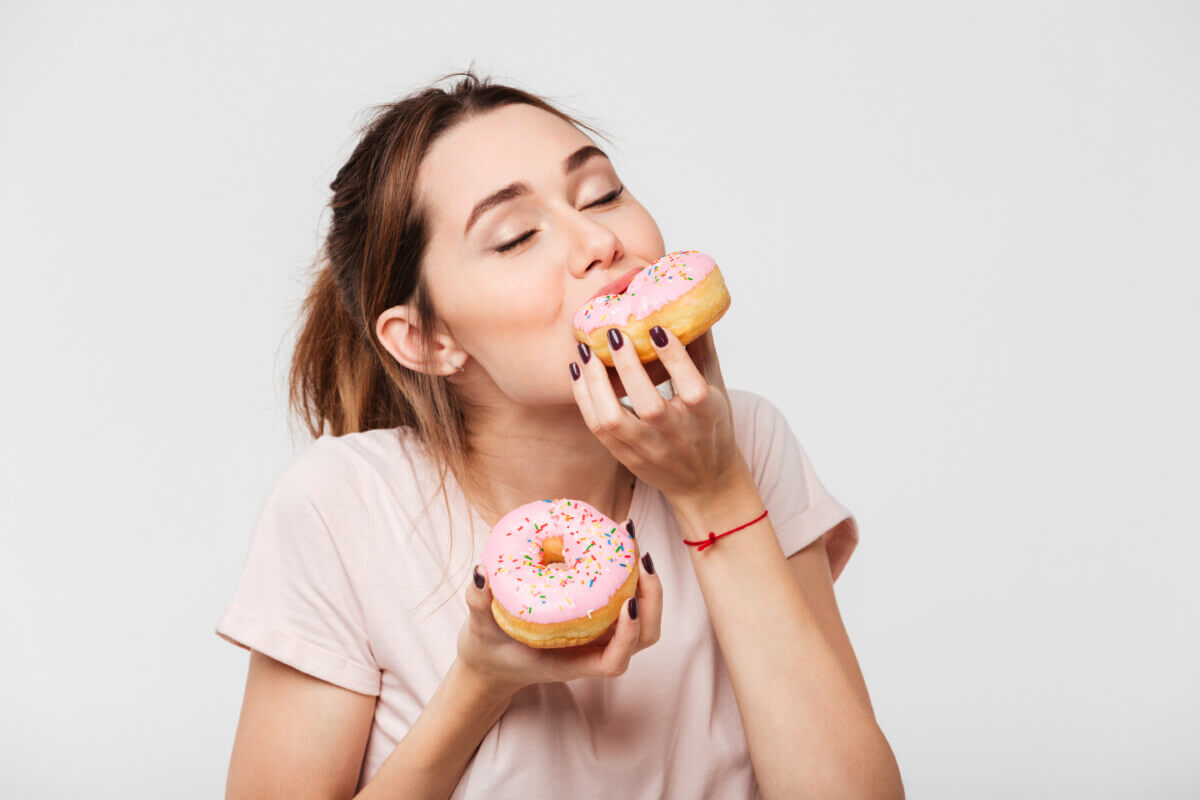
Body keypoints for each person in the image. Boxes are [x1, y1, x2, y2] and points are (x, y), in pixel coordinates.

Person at [216, 69, 903, 800]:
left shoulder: (745, 441)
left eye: (602, 193)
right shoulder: (342, 507)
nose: (600, 241)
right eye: (515, 237)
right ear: (426, 339)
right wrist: (480, 683)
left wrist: (716, 494)